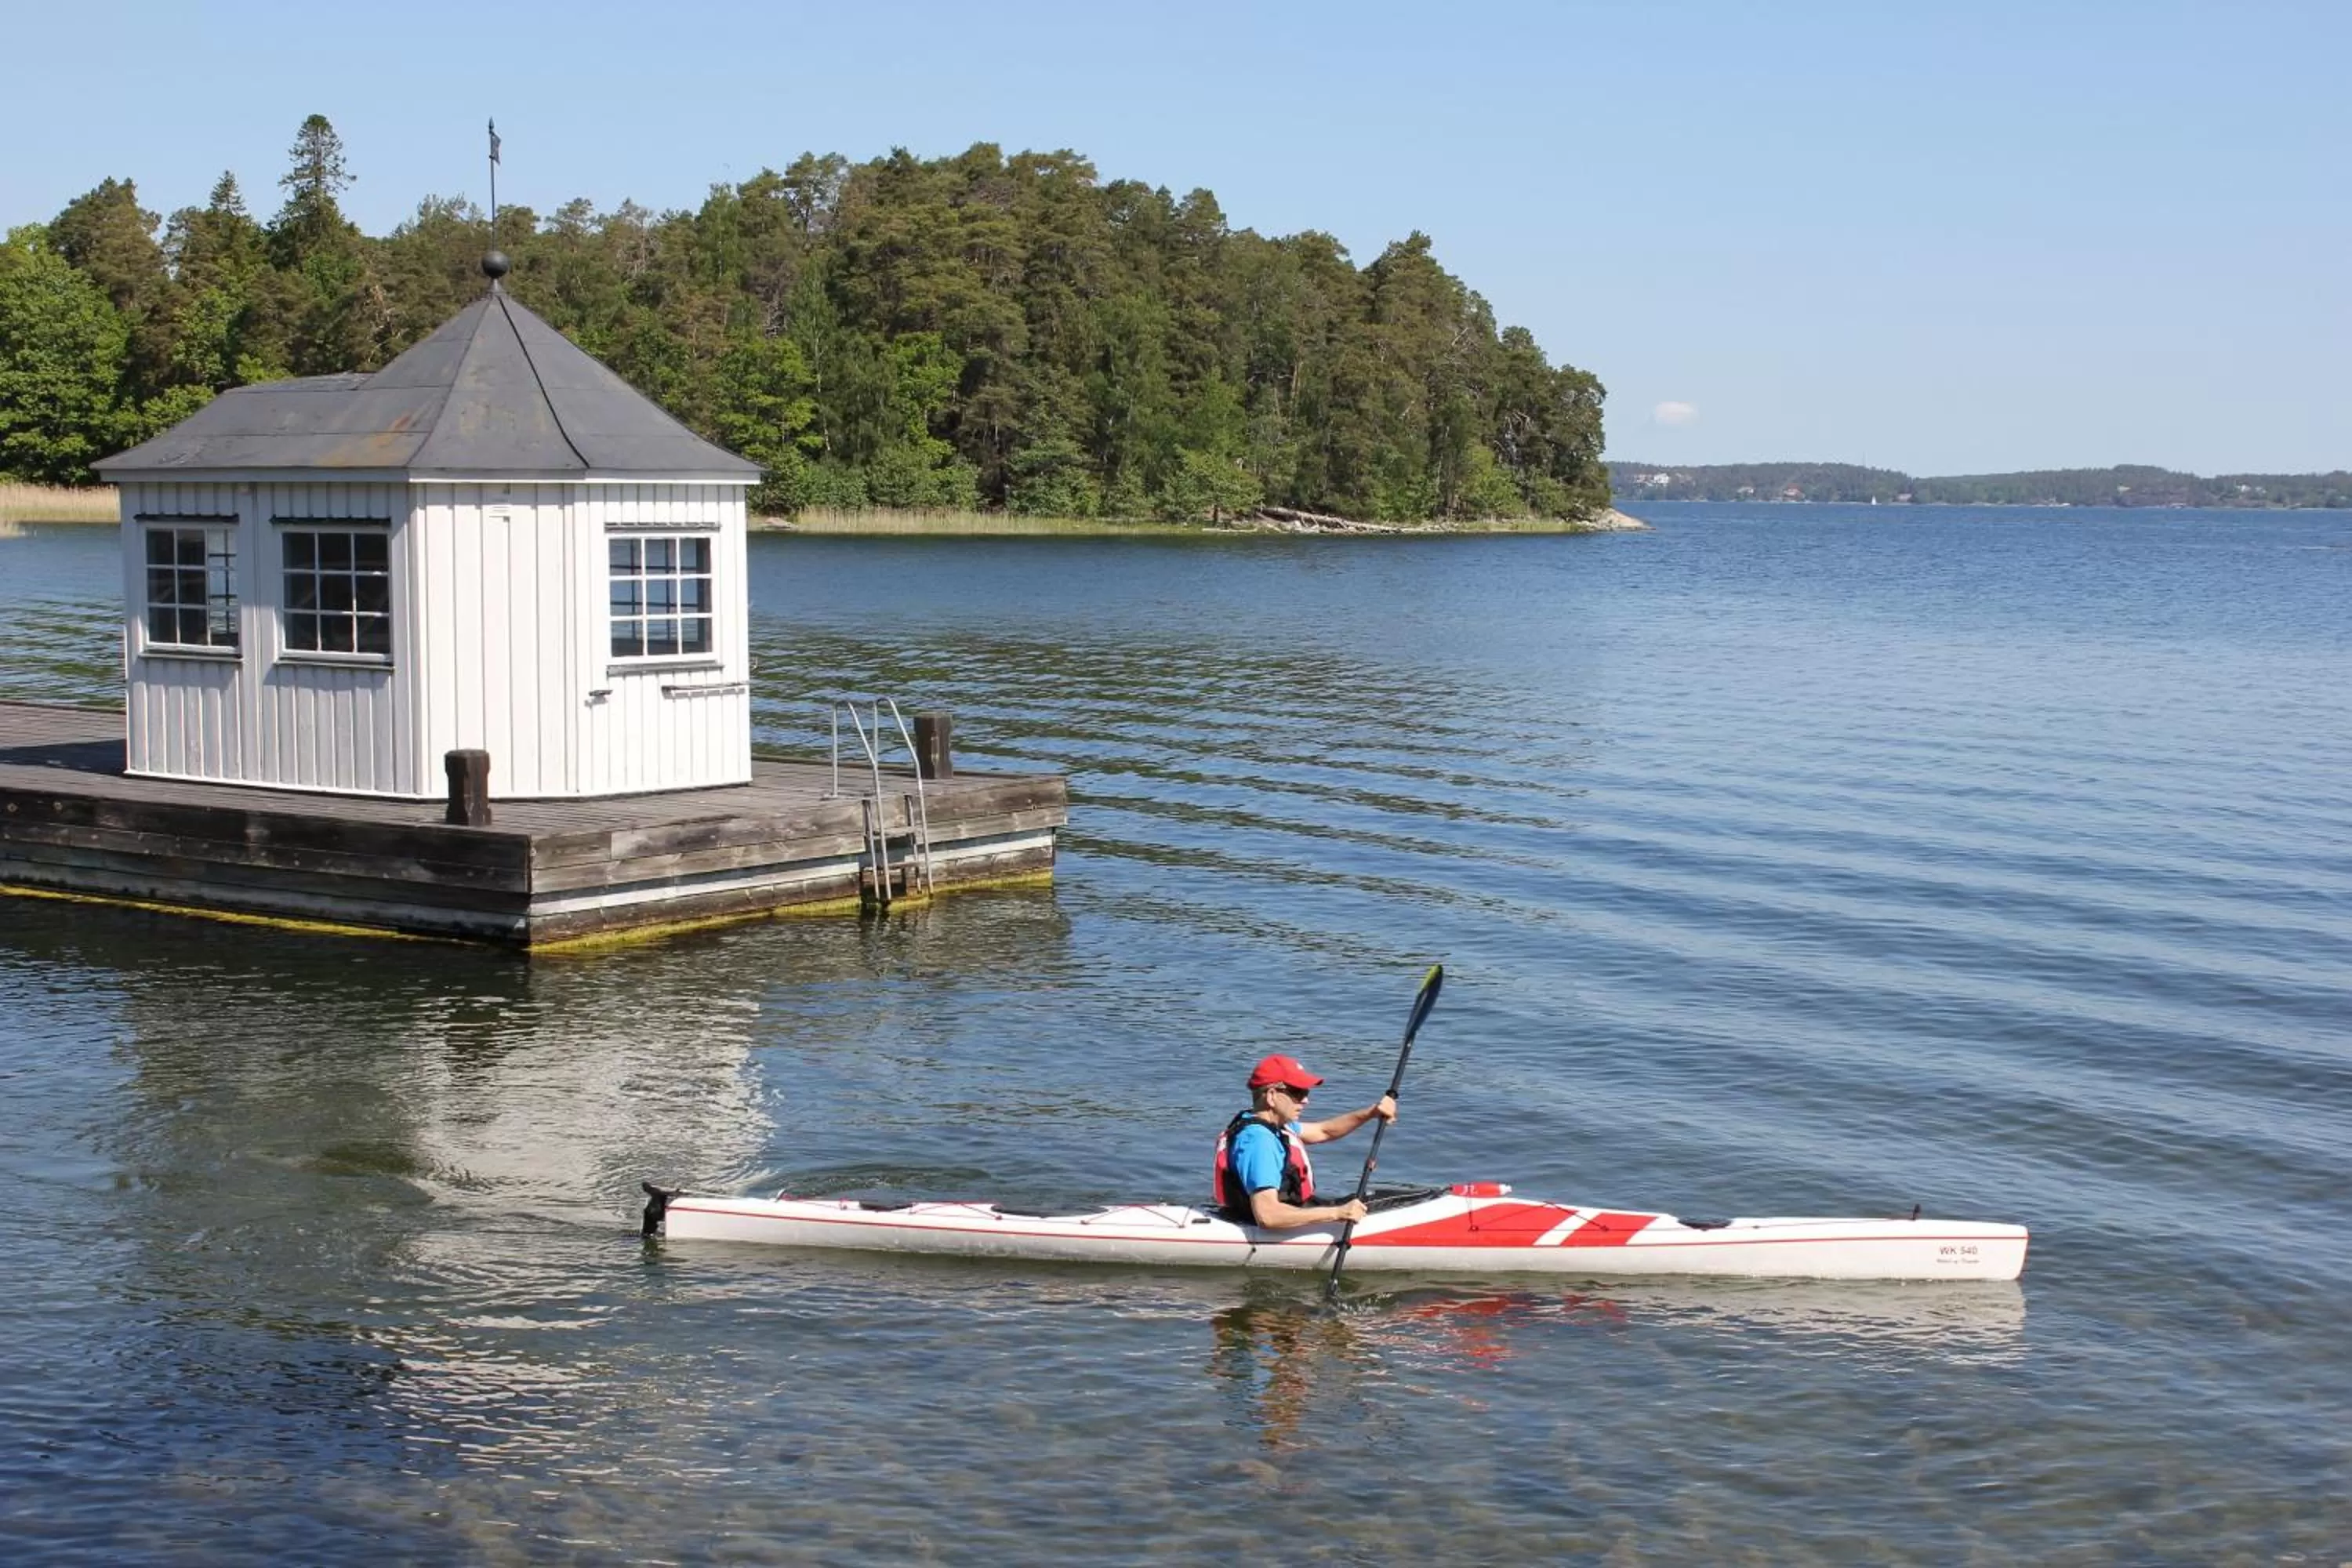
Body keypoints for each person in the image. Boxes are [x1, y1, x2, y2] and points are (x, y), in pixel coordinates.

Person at [1211, 1053, 1398, 1229]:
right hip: (1275, 1223)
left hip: (1296, 1209)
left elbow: (1324, 1131)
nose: (1306, 1100)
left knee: (1402, 1199)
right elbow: (1267, 1215)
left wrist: (1371, 1113)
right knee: (1393, 1205)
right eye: (1298, 1093)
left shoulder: (1272, 1123)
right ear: (1272, 1096)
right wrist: (1337, 1213)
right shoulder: (1260, 1142)